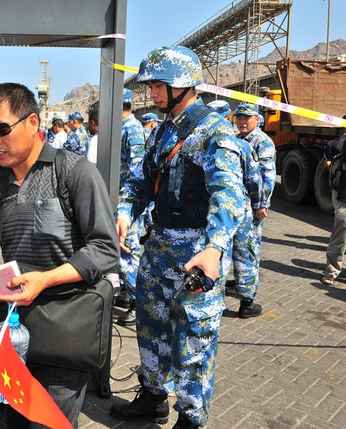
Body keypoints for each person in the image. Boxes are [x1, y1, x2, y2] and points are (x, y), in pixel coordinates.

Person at [110, 46, 244, 429]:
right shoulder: (165, 129)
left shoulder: (213, 133)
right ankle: (153, 396)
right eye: (150, 84)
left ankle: (191, 417)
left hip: (196, 251)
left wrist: (216, 248)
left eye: (158, 85)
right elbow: (141, 177)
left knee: (195, 337)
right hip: (159, 246)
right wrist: (125, 212)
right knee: (151, 325)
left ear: (182, 85)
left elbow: (229, 195)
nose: (151, 92)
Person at [0, 82, 119, 428]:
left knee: (48, 422)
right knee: (15, 420)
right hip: (13, 330)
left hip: (64, 328)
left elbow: (105, 249)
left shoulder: (74, 173)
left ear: (33, 122)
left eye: (1, 129)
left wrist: (46, 279)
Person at [208, 100, 263, 318]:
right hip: (240, 211)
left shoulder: (204, 143)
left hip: (216, 212)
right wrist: (258, 204)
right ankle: (246, 305)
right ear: (228, 118)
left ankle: (215, 302)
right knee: (245, 256)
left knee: (219, 255)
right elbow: (255, 181)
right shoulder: (241, 145)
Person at [230, 102, 276, 317]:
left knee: (246, 252)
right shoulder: (237, 139)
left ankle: (246, 303)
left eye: (247, 118)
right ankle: (239, 288)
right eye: (239, 117)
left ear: (258, 119)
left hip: (250, 208)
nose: (242, 121)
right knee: (234, 251)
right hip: (233, 206)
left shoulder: (262, 142)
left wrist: (261, 204)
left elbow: (267, 176)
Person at [116, 88, 147, 326]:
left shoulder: (132, 128)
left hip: (128, 202)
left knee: (127, 252)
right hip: (120, 199)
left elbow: (137, 171)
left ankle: (139, 304)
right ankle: (129, 294)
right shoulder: (123, 126)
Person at [323, 126, 346, 285]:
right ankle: (331, 271)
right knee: (341, 230)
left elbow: (329, 164)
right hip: (343, 193)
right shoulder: (339, 143)